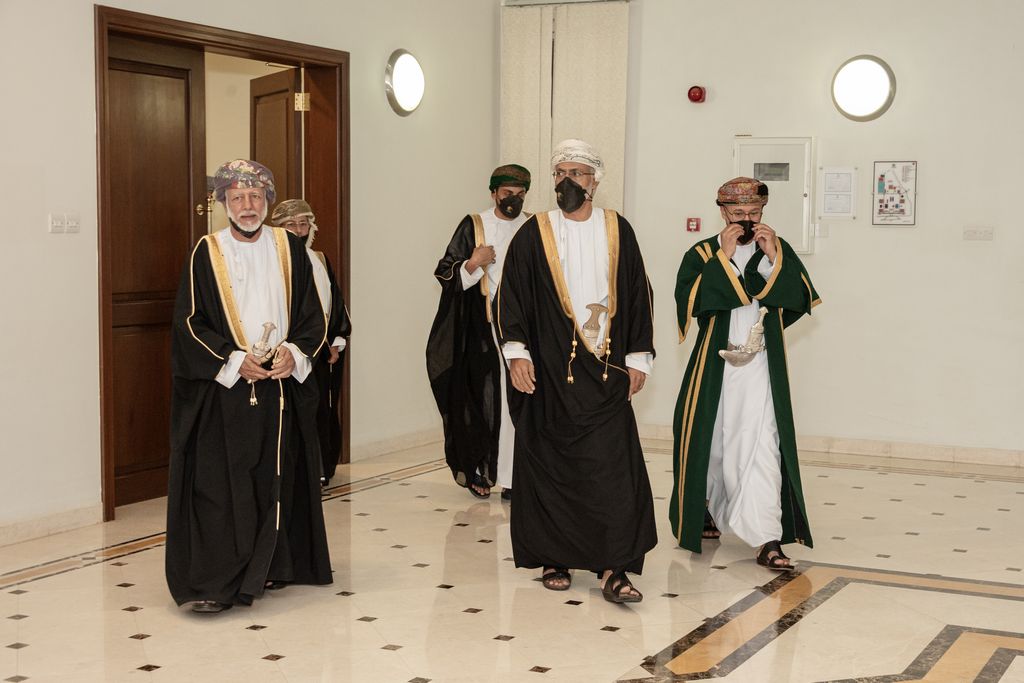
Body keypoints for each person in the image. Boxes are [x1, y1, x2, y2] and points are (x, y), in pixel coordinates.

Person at [166, 159, 332, 613]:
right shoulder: (207, 251)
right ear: (223, 203)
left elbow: (314, 316)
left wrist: (295, 352)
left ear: (267, 202)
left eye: (255, 197)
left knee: (278, 477)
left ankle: (274, 564)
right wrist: (235, 361)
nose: (247, 206)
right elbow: (189, 322)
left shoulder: (290, 248)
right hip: (227, 388)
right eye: (237, 198)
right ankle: (216, 582)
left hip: (279, 385)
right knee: (221, 487)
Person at [496, 139, 657, 603]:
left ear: (594, 181)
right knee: (550, 463)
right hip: (548, 371)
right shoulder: (536, 231)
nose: (566, 181)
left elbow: (637, 292)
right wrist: (517, 353)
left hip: (606, 368)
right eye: (560, 173)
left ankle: (614, 567)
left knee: (612, 467)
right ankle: (555, 557)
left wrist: (638, 357)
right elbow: (511, 294)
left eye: (577, 173)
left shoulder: (617, 229)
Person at [669, 177, 821, 571]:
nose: (747, 220)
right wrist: (724, 257)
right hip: (715, 367)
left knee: (761, 445)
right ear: (722, 212)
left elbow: (801, 298)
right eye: (738, 213)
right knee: (713, 443)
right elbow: (692, 303)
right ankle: (707, 507)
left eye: (754, 213)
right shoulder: (703, 253)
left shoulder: (777, 248)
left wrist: (771, 258)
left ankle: (767, 537)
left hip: (760, 368)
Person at [426, 164, 532, 501]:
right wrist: (473, 263)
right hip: (482, 331)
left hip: (525, 331)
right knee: (485, 400)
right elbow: (445, 272)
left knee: (521, 400)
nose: (513, 200)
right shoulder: (474, 225)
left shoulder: (533, 226)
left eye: (520, 194)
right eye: (507, 193)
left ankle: (516, 478)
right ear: (493, 193)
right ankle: (481, 469)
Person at [271, 199, 352, 486]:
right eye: (290, 224)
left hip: (321, 350)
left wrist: (335, 340)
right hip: (288, 351)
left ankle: (320, 468)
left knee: (319, 408)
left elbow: (334, 302)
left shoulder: (319, 259)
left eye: (303, 224)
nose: (297, 230)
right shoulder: (272, 262)